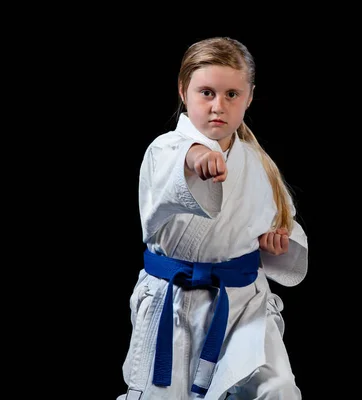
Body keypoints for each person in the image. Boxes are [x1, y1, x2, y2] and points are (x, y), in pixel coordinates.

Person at [116, 37, 308, 400]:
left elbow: (280, 223)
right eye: (207, 92)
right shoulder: (165, 150)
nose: (218, 106)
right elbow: (171, 176)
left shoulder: (258, 162)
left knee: (278, 389)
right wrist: (194, 158)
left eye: (232, 94)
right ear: (183, 91)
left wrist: (276, 241)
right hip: (174, 304)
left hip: (242, 304)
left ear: (249, 96)